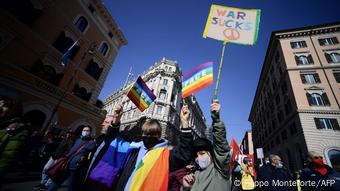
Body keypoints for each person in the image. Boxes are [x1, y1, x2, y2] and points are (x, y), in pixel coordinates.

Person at [114, 103, 193, 191]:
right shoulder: (134, 148)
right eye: (146, 133)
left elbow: (184, 154)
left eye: (152, 134)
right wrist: (116, 120)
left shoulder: (164, 155)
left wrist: (184, 122)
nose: (148, 137)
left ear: (158, 135)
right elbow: (112, 140)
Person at [182, 99, 231, 191]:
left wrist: (216, 120)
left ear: (211, 154)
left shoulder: (220, 170)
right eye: (196, 156)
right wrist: (185, 188)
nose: (199, 158)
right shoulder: (193, 176)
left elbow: (221, 146)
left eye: (202, 153)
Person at [48, 126, 95, 191]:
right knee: (55, 182)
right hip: (66, 164)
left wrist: (81, 160)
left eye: (87, 131)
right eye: (84, 130)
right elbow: (71, 150)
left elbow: (90, 153)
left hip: (74, 167)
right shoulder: (78, 139)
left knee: (70, 186)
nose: (85, 132)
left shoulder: (91, 143)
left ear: (90, 132)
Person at [0, 95, 31, 186]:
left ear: (14, 110)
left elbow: (7, 158)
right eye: (0, 104)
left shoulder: (18, 129)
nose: (0, 108)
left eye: (4, 106)